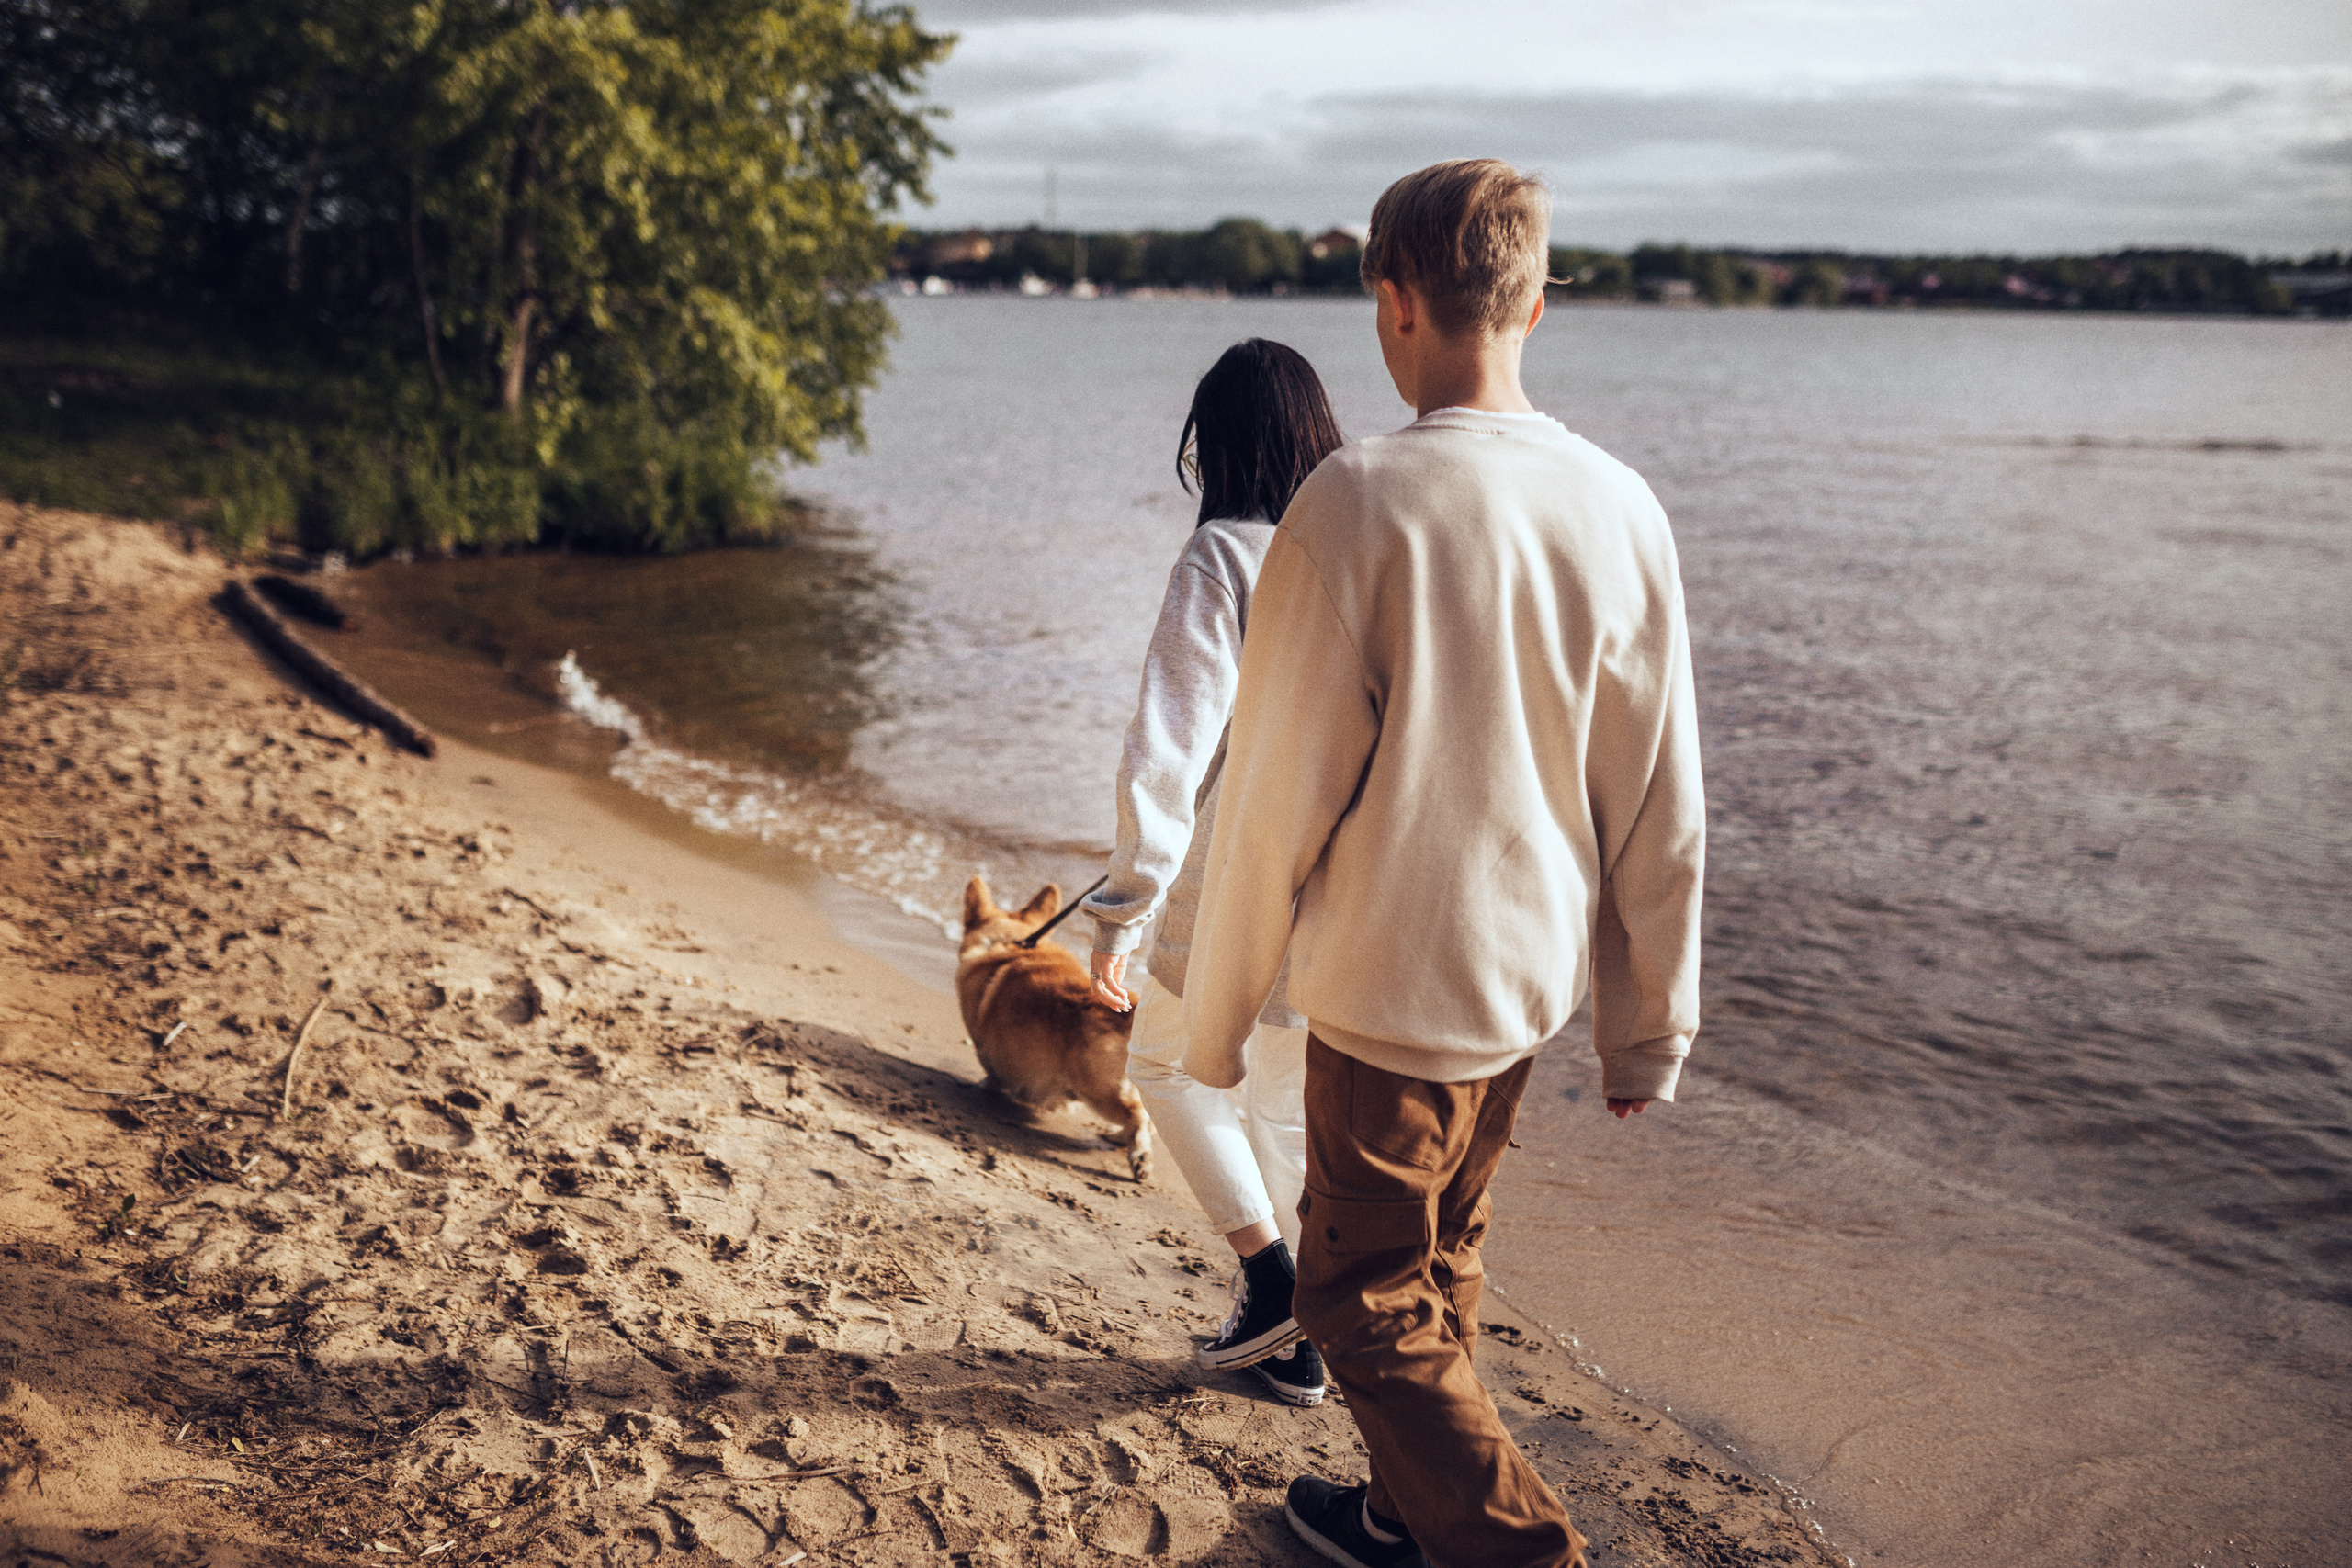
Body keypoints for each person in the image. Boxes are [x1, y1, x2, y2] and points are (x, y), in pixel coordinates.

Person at [1182, 161, 1706, 1568]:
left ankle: (1519, 1552)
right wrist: (1647, 1020)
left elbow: (1271, 801)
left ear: (1392, 303)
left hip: (1396, 988)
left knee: (1357, 1294)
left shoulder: (1356, 499)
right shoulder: (1623, 506)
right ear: (1536, 303)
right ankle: (1401, 1518)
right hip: (1521, 988)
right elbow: (1660, 795)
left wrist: (1214, 1016)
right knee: (1443, 1261)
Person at [1080, 338, 1347, 1409]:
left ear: (1219, 445)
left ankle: (1270, 1283)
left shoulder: (1223, 557)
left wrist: (1121, 915)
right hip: (1337, 883)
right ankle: (1302, 1341)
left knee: (1162, 1067)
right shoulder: (1356, 552)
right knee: (1281, 1107)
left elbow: (1168, 746)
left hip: (1235, 878)